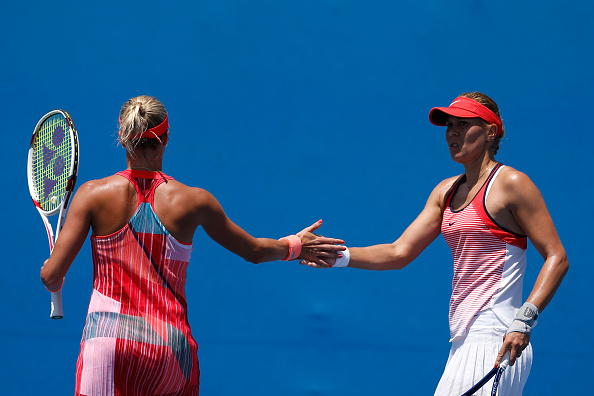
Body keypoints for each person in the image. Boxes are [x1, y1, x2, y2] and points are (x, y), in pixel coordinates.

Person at [40, 95, 345, 396]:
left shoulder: (92, 194)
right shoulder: (194, 201)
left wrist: (51, 273)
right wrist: (295, 245)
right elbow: (255, 251)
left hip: (106, 345)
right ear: (166, 138)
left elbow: (52, 276)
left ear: (122, 137)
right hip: (170, 349)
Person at [302, 92, 568, 395]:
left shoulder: (512, 184)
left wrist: (524, 321)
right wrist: (336, 255)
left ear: (491, 132)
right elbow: (398, 251)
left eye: (463, 124)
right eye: (448, 125)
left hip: (496, 335)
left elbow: (557, 257)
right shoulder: (445, 191)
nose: (452, 132)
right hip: (463, 340)